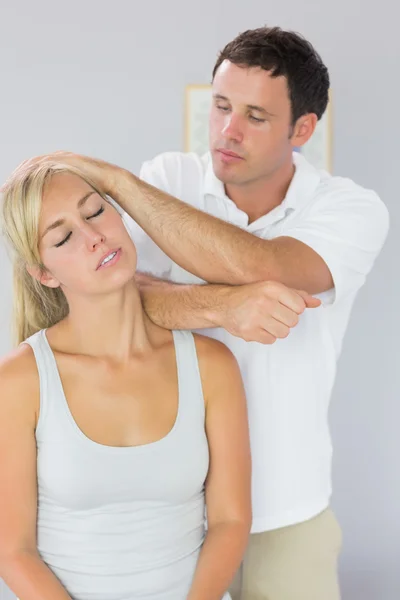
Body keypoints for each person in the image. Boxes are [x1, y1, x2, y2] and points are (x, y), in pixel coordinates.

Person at [8, 25, 390, 600]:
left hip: (283, 514)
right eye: (219, 106)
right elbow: (100, 285)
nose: (226, 132)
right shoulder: (168, 183)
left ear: (303, 129)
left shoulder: (351, 211)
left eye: (255, 117)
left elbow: (270, 265)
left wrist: (114, 180)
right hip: (171, 515)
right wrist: (225, 307)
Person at [0, 161, 252, 600]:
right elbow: (13, 552)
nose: (94, 236)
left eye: (95, 211)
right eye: (63, 237)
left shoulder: (213, 366)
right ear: (44, 273)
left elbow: (230, 521)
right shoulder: (21, 382)